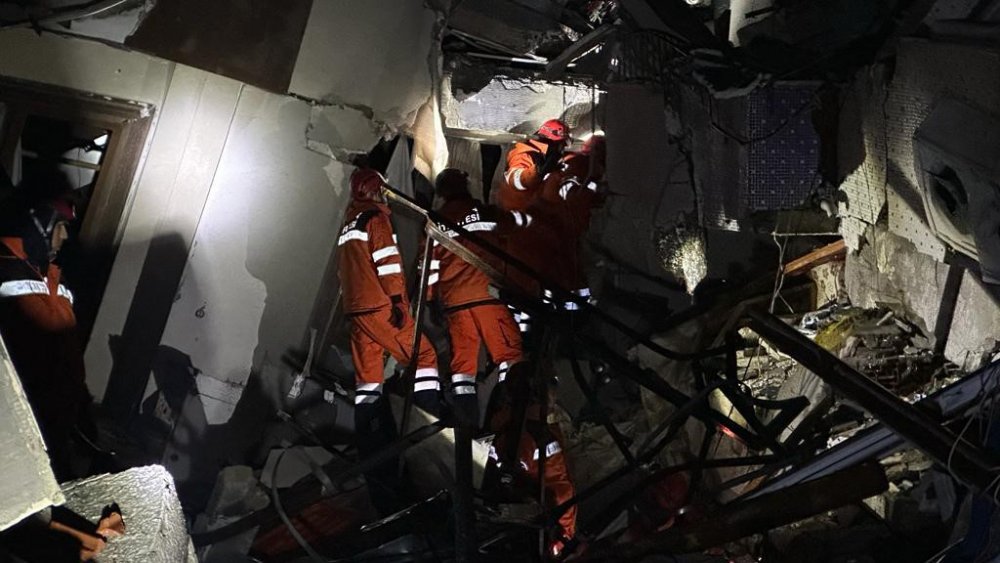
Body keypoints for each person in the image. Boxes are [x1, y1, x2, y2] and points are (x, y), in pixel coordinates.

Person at [336, 168, 442, 511]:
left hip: (357, 311)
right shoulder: (375, 221)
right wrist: (398, 301)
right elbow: (388, 265)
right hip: (380, 305)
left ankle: (372, 446)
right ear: (376, 191)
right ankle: (429, 427)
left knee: (368, 385)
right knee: (424, 355)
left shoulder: (349, 223)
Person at [0, 172, 93, 480]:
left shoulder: (53, 279)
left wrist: (81, 413)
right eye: (61, 228)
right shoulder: (5, 271)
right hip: (17, 438)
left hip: (53, 434)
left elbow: (65, 355)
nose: (65, 237)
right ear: (40, 222)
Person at [424, 168, 530, 426]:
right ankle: (508, 417)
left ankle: (465, 426)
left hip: (454, 302)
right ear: (465, 186)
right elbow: (516, 224)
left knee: (463, 367)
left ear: (441, 193)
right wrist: (531, 216)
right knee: (510, 355)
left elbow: (427, 265)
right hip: (486, 294)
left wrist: (430, 299)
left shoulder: (435, 222)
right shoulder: (483, 211)